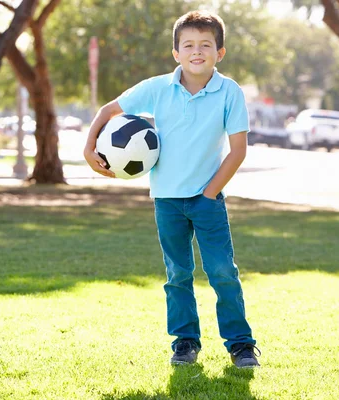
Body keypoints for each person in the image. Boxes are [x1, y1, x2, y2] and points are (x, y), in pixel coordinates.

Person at [83, 10, 260, 368]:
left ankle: (240, 344)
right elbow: (108, 110)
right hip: (166, 201)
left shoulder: (229, 92)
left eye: (206, 45)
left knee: (222, 271)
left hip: (208, 200)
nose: (197, 51)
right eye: (189, 45)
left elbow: (238, 151)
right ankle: (185, 342)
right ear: (176, 53)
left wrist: (210, 193)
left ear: (220, 52)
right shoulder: (157, 88)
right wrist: (89, 148)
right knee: (177, 274)